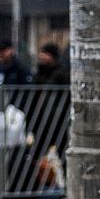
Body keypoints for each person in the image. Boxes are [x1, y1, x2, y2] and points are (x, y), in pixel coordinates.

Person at [29, 41, 70, 190]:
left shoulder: (61, 73)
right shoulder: (39, 73)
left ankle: (68, 186)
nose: (41, 56)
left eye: (45, 53)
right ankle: (38, 188)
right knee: (36, 157)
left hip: (58, 121)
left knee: (64, 156)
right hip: (41, 121)